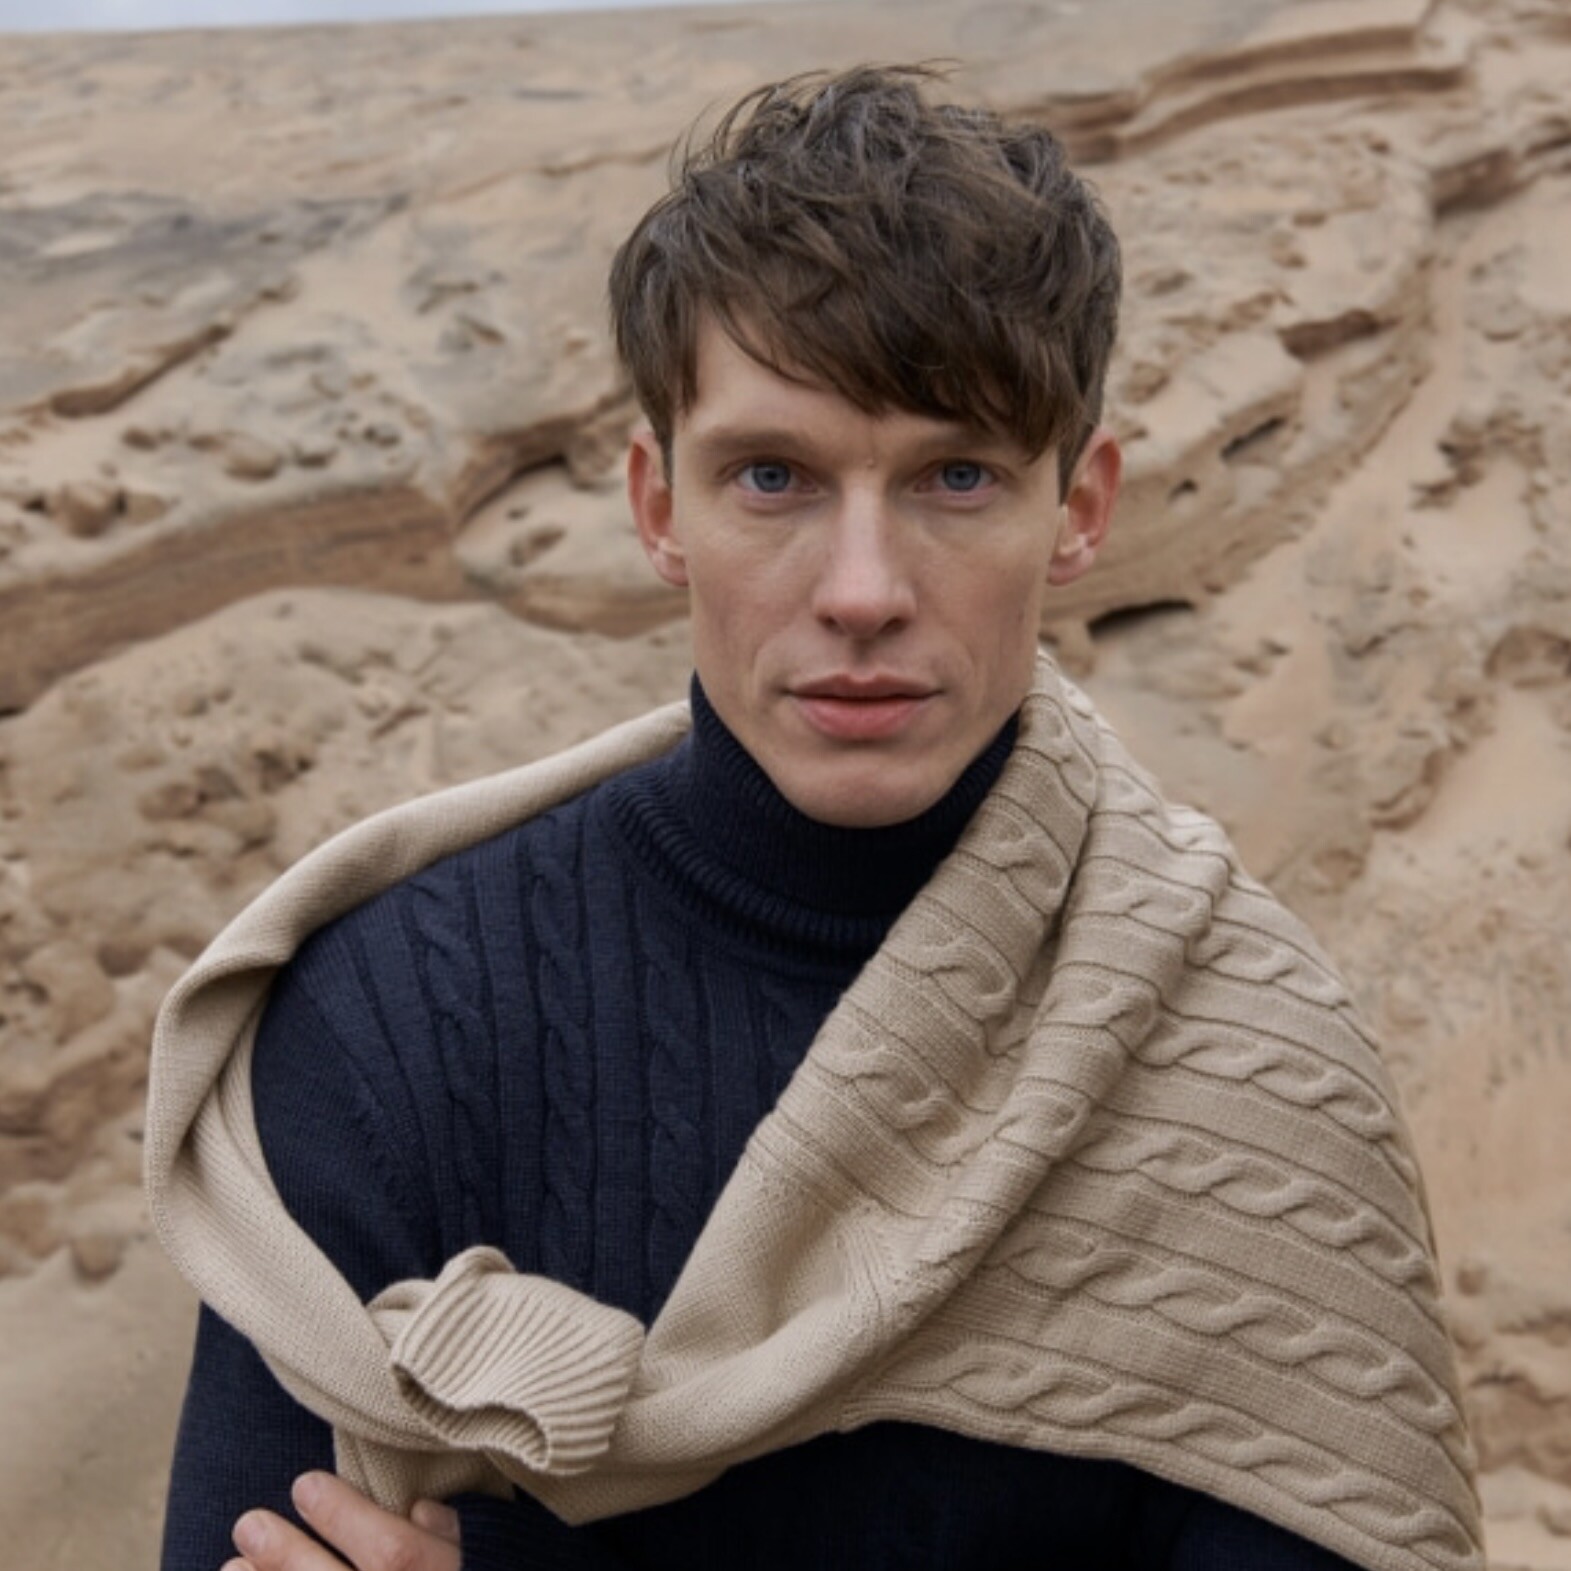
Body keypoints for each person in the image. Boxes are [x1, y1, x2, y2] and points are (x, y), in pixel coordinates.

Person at [146, 66, 1483, 1571]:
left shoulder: (1244, 1060)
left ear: (1082, 505)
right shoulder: (393, 1014)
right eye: (771, 477)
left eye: (957, 476)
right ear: (660, 506)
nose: (863, 590)